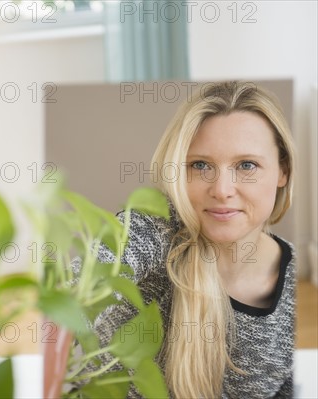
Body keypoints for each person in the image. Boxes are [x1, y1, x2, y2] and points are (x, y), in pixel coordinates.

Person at [86, 81, 295, 398]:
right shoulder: (155, 229)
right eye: (201, 165)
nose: (222, 189)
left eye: (246, 165)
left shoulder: (292, 286)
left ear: (283, 171)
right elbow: (82, 277)